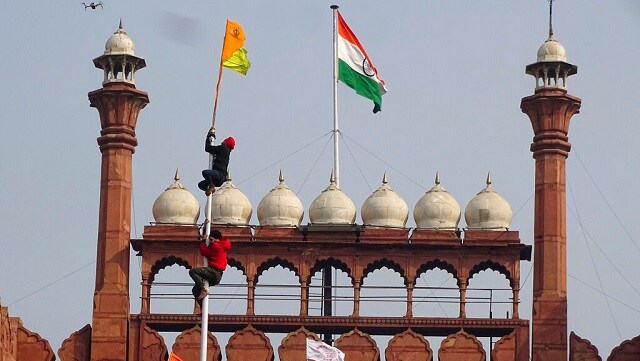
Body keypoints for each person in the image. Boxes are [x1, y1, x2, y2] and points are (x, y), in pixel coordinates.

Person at [189, 223, 232, 304]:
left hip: (214, 272)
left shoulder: (216, 246)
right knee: (195, 290)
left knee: (193, 271)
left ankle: (203, 289)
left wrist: (203, 241)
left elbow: (204, 251)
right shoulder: (222, 244)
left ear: (216, 239)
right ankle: (203, 311)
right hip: (216, 275)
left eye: (211, 239)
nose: (210, 241)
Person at [197, 127, 235, 195]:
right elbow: (212, 149)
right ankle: (211, 187)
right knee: (201, 185)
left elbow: (208, 148)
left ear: (226, 142)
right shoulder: (226, 151)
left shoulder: (223, 148)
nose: (222, 142)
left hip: (219, 175)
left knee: (205, 172)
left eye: (224, 141)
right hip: (219, 179)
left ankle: (211, 186)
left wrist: (209, 137)